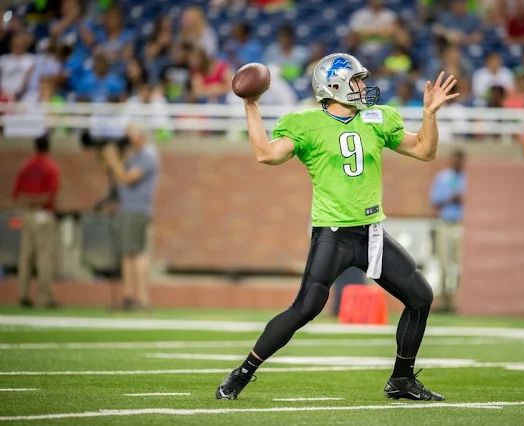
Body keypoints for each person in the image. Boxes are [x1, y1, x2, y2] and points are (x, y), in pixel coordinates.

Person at [216, 53, 458, 401]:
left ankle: (402, 380)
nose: (363, 87)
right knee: (306, 308)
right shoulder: (306, 124)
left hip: (372, 232)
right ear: (335, 86)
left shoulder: (376, 118)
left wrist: (429, 115)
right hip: (333, 234)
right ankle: (242, 373)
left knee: (420, 297)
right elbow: (266, 154)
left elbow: (424, 150)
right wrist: (251, 105)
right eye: (357, 80)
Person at [102, 123, 160, 310]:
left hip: (135, 209)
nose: (128, 139)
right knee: (130, 252)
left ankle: (139, 298)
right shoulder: (135, 155)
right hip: (131, 208)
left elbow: (127, 178)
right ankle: (132, 296)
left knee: (135, 253)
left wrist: (112, 160)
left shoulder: (147, 155)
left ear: (140, 136)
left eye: (130, 135)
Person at [12, 134, 60, 309]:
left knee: (25, 257)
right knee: (44, 257)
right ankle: (44, 298)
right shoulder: (50, 167)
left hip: (27, 214)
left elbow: (17, 194)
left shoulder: (26, 167)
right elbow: (50, 195)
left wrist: (29, 201)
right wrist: (37, 200)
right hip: (43, 215)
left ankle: (23, 295)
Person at [429, 150, 465, 312]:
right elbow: (435, 200)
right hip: (445, 223)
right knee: (443, 261)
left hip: (462, 223)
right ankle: (443, 300)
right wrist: (451, 198)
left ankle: (456, 300)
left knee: (459, 264)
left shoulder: (469, 178)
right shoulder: (443, 177)